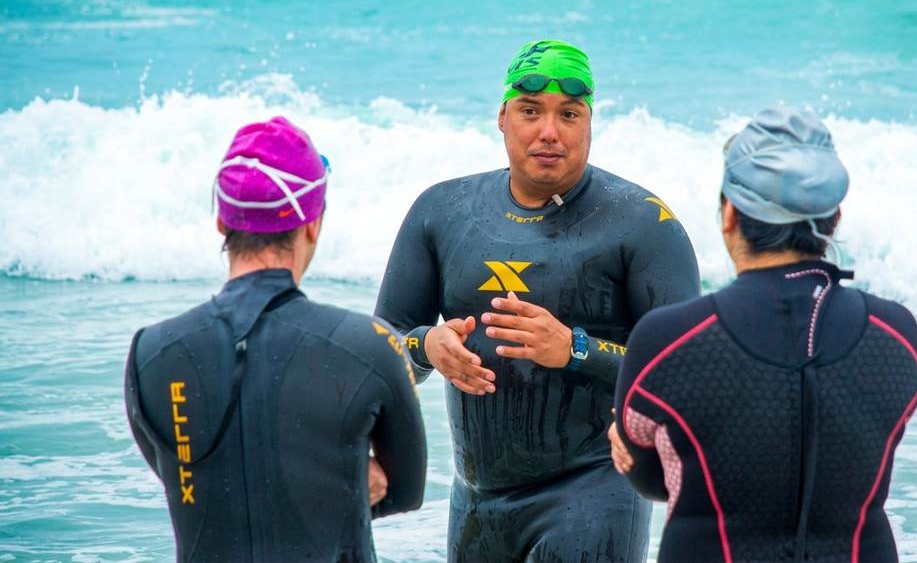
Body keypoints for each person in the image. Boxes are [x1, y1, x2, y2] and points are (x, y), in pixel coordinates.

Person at [375, 40, 701, 562]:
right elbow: (381, 350)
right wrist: (424, 347)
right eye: (531, 111)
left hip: (594, 491)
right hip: (476, 502)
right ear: (503, 117)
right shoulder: (441, 211)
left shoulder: (643, 223)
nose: (549, 131)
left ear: (589, 123)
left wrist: (574, 348)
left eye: (569, 114)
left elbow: (686, 375)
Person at [611, 107, 917, 563]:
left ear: (730, 214)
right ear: (833, 219)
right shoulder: (896, 336)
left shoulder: (669, 341)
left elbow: (646, 473)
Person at [125, 116, 426, 563]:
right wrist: (335, 482)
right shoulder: (369, 344)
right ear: (312, 225)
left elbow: (188, 481)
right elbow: (404, 492)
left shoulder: (151, 353)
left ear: (222, 224)